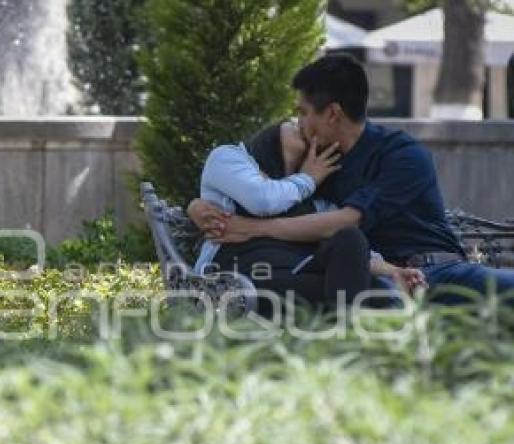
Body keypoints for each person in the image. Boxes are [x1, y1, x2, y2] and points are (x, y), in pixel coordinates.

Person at [198, 54, 514, 305]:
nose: (300, 122)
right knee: (376, 301)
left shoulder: (401, 155)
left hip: (438, 271)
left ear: (333, 114)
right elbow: (282, 201)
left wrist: (251, 228)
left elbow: (346, 221)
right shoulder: (318, 166)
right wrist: (197, 206)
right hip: (372, 277)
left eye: (304, 112)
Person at [188, 119, 425, 312]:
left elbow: (362, 254)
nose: (302, 125)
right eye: (297, 127)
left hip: (297, 275)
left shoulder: (315, 203)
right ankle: (347, 340)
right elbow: (262, 200)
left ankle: (343, 335)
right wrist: (307, 179)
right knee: (372, 294)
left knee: (351, 239)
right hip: (240, 278)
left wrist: (394, 271)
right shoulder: (229, 157)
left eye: (308, 137)